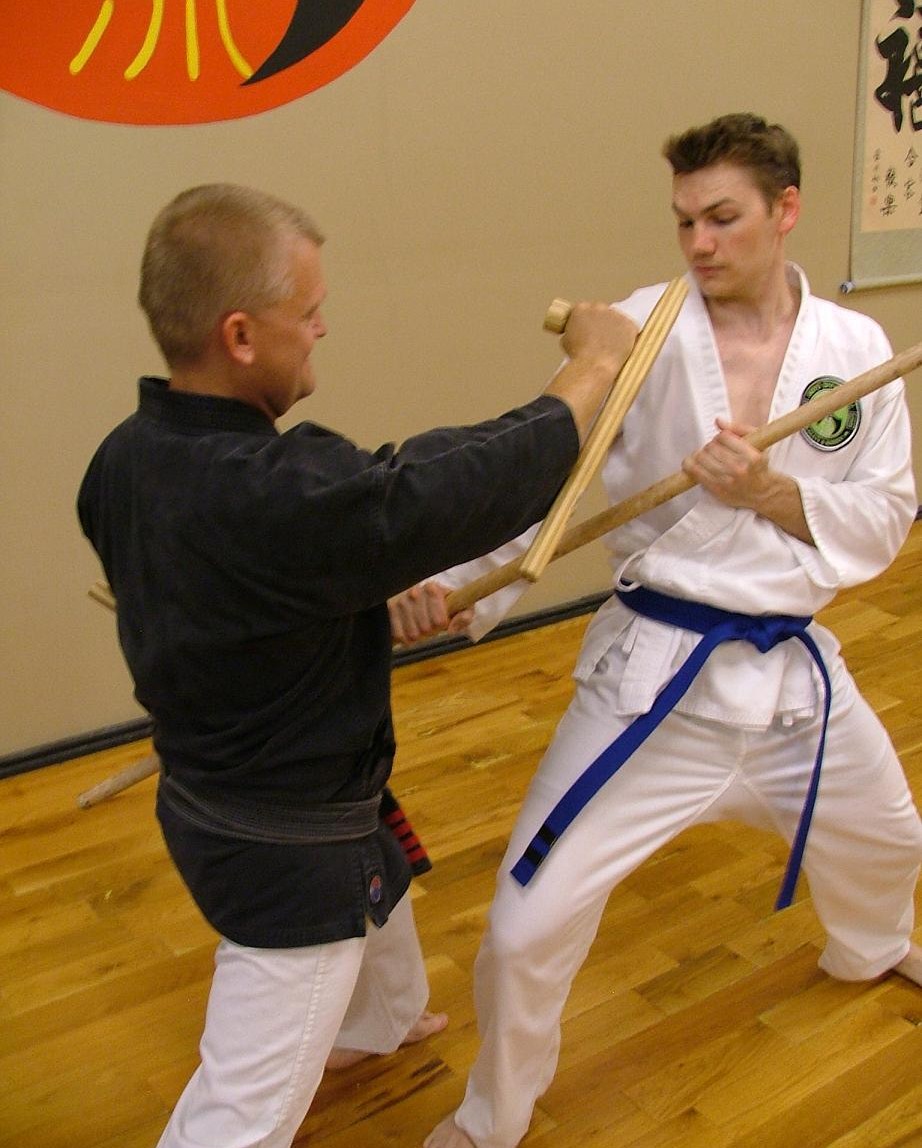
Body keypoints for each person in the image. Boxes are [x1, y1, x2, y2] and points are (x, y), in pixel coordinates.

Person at [389, 114, 922, 1148]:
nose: (698, 243)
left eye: (722, 218)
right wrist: (453, 587)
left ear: (785, 211)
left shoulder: (852, 350)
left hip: (794, 682)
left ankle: (874, 942)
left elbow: (886, 511)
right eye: (683, 220)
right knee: (523, 923)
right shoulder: (640, 329)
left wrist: (769, 490)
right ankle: (491, 1116)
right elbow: (545, 479)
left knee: (889, 832)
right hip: (654, 685)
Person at [76, 183, 638, 1148]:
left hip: (221, 793)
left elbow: (253, 593)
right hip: (287, 855)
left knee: (379, 891)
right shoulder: (277, 492)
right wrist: (590, 369)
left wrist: (358, 604)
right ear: (242, 334)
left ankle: (383, 1020)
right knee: (241, 1112)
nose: (323, 328)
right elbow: (447, 488)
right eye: (310, 313)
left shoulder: (126, 460)